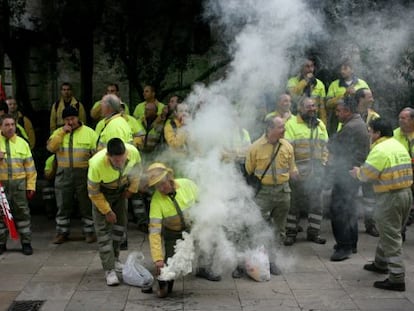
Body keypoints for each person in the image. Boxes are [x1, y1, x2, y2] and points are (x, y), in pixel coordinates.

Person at [350, 118, 412, 292]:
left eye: (370, 131)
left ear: (377, 133)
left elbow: (367, 175)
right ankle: (380, 263)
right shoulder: (398, 146)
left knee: (391, 235)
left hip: (390, 197)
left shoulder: (379, 149)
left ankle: (397, 278)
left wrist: (357, 172)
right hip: (406, 194)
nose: (369, 134)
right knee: (391, 230)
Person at [146, 162, 220, 298]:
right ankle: (165, 284)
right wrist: (157, 259)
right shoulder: (156, 202)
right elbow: (154, 232)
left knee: (209, 236)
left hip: (193, 226)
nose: (161, 189)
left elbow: (204, 202)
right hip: (172, 233)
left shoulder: (187, 185)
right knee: (169, 264)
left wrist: (205, 221)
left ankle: (203, 267)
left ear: (169, 177)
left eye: (162, 183)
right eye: (157, 186)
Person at [87, 138, 141, 286]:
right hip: (102, 194)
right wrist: (107, 211)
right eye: (116, 161)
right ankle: (109, 270)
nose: (119, 164)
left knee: (120, 226)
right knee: (103, 233)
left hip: (121, 190)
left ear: (126, 153)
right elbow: (93, 193)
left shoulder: (133, 153)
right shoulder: (96, 164)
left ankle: (115, 259)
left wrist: (132, 190)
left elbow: (137, 170)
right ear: (108, 156)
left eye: (122, 160)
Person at [47, 106, 98, 244]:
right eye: (67, 119)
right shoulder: (58, 132)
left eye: (73, 118)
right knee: (63, 204)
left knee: (86, 204)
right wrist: (62, 133)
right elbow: (51, 148)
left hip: (84, 173)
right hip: (64, 173)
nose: (70, 122)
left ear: (78, 118)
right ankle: (62, 232)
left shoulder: (89, 133)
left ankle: (89, 232)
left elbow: (97, 154)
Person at [245, 116, 298, 248]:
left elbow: (292, 166)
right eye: (280, 127)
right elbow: (249, 170)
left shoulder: (287, 146)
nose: (284, 129)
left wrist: (294, 172)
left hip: (283, 191)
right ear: (269, 129)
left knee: (279, 229)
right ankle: (259, 259)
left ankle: (276, 259)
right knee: (258, 226)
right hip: (263, 193)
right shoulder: (255, 148)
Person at [327, 97, 370, 261]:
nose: (337, 114)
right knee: (350, 208)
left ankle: (344, 246)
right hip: (353, 172)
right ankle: (351, 243)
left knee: (339, 209)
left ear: (348, 111)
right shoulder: (357, 123)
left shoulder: (351, 127)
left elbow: (332, 145)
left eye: (339, 111)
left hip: (346, 173)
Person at [284, 97, 328, 246]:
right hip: (297, 173)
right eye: (308, 106)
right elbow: (287, 151)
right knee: (293, 205)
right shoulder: (291, 124)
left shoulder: (320, 125)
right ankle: (290, 233)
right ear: (300, 109)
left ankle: (313, 233)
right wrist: (292, 169)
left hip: (316, 174)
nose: (312, 109)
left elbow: (325, 147)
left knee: (317, 204)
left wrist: (323, 164)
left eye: (314, 106)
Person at [0, 114, 37, 255]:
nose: (10, 128)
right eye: (7, 125)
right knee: (1, 215)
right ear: (1, 126)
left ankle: (26, 243)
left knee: (22, 214)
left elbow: (30, 168)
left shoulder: (22, 143)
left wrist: (31, 186)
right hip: (1, 185)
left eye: (12, 125)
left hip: (19, 185)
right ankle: (1, 243)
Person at [355, 88, 380, 237]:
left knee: (370, 195)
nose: (372, 99)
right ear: (361, 99)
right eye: (369, 97)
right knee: (350, 192)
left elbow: (379, 138)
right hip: (354, 159)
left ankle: (370, 224)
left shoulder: (375, 117)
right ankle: (349, 222)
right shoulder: (351, 115)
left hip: (370, 159)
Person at [326, 59, 370, 134]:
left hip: (359, 120)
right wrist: (344, 95)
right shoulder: (334, 85)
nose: (342, 71)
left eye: (345, 68)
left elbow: (368, 102)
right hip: (338, 121)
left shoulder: (362, 84)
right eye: (341, 69)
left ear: (352, 70)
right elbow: (328, 104)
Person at [286, 57, 327, 123]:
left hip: (313, 120)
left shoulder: (319, 84)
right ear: (301, 68)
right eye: (307, 67)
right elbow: (292, 94)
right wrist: (305, 81)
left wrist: (323, 124)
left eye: (312, 66)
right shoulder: (292, 82)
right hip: (296, 119)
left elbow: (322, 108)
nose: (310, 69)